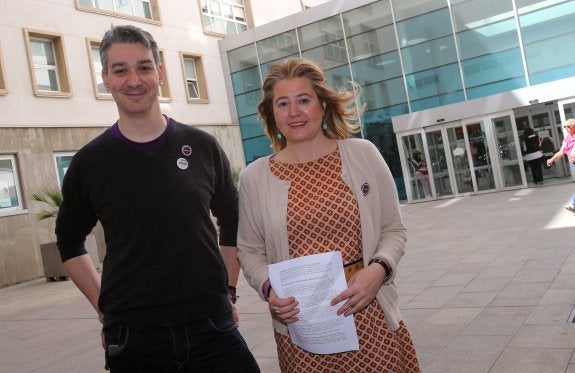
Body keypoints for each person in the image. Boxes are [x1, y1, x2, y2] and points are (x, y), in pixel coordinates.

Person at [55, 25, 259, 372]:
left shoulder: (202, 147)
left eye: (144, 67)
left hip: (212, 327)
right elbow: (69, 239)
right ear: (105, 78)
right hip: (134, 338)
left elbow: (233, 219)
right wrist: (104, 307)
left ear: (160, 73)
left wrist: (228, 291)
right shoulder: (91, 162)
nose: (134, 79)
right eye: (120, 70)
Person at [236, 58, 420, 372]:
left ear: (322, 105)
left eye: (303, 100)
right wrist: (269, 289)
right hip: (303, 329)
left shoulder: (363, 154)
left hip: (369, 315)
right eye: (283, 103)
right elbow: (250, 250)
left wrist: (378, 270)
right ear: (272, 114)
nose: (294, 112)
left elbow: (393, 230)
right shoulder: (255, 178)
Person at [546, 118, 575, 212]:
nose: (566, 128)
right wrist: (552, 159)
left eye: (568, 126)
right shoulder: (567, 138)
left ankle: (574, 205)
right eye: (564, 126)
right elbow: (562, 152)